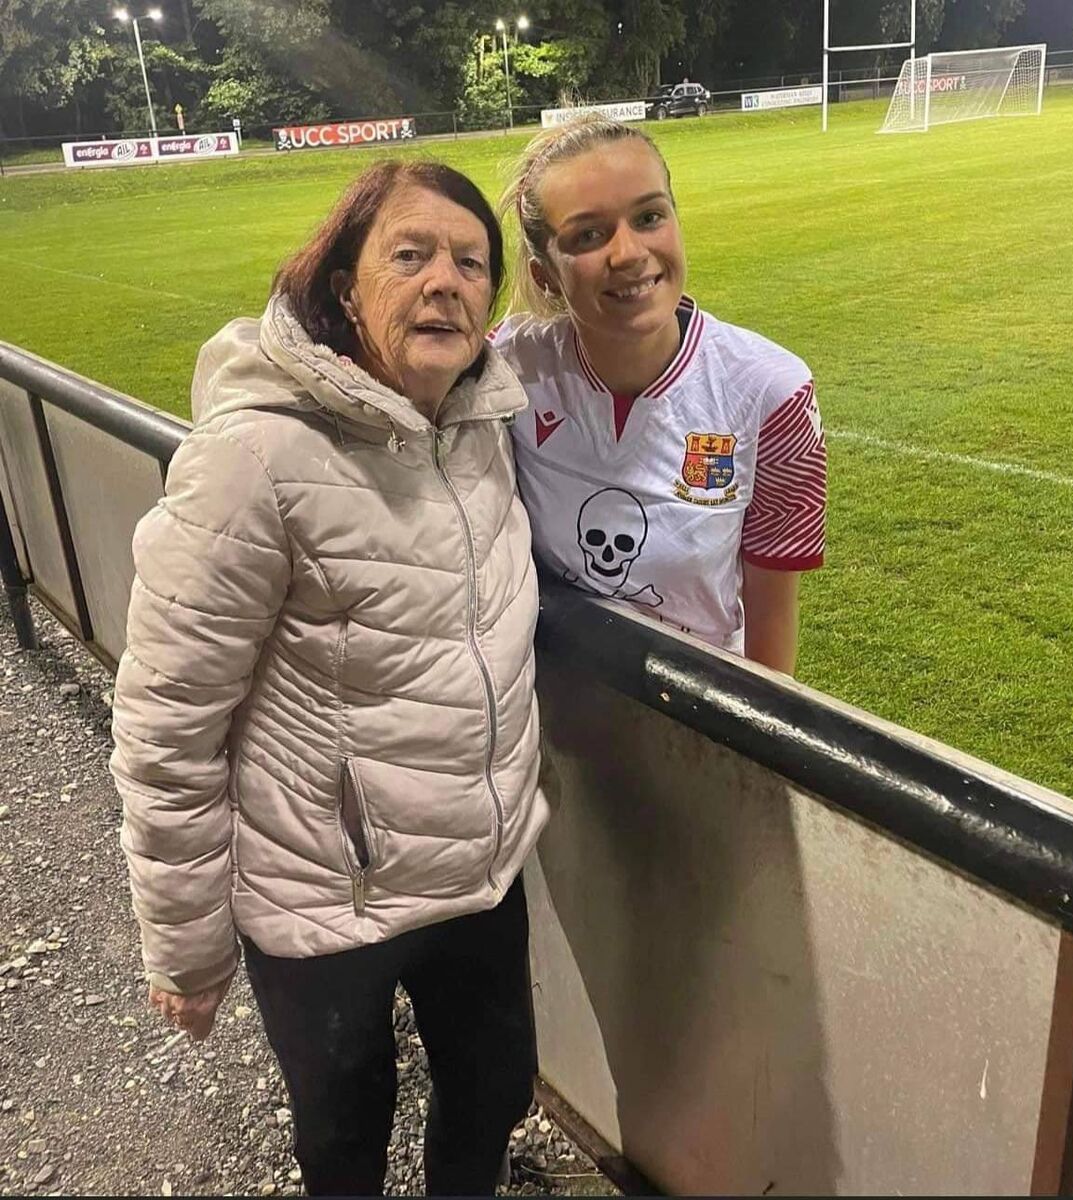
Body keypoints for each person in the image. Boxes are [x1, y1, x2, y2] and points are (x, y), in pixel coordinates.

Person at [110, 159, 549, 1197]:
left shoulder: (482, 425)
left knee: (493, 1093)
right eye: (410, 255)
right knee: (344, 1140)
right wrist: (185, 947)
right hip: (324, 893)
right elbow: (167, 723)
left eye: (470, 262)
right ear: (346, 287)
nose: (446, 279)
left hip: (476, 871)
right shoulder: (254, 458)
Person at [491, 115, 826, 675]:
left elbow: (772, 648)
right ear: (544, 275)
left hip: (698, 711)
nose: (628, 253)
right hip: (552, 701)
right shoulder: (508, 369)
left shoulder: (773, 393)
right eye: (588, 236)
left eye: (648, 217)